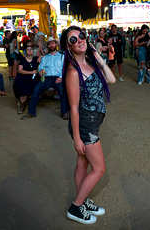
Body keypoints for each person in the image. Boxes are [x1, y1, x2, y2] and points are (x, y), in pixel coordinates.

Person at [60, 26, 115, 225]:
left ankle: (82, 201)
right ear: (68, 46)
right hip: (85, 127)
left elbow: (112, 78)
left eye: (81, 36)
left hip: (90, 123)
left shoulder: (91, 63)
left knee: (82, 164)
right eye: (73, 40)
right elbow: (73, 109)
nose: (79, 40)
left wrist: (97, 56)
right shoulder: (73, 73)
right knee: (99, 169)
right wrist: (77, 137)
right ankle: (76, 207)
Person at [21, 37, 68, 120]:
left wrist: (61, 77)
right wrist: (41, 70)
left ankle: (64, 112)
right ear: (48, 46)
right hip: (46, 78)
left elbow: (64, 69)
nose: (51, 45)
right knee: (36, 89)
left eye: (52, 43)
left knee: (62, 90)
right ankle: (31, 112)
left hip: (57, 77)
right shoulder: (45, 58)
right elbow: (41, 67)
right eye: (49, 44)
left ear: (56, 44)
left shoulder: (62, 57)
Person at [13, 46, 40, 114]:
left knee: (30, 85)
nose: (30, 50)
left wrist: (41, 56)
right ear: (26, 52)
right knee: (21, 86)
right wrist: (31, 72)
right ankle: (22, 105)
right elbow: (20, 70)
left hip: (32, 78)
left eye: (31, 49)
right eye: (28, 50)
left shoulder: (35, 59)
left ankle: (22, 104)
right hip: (23, 76)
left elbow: (44, 57)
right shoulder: (23, 60)